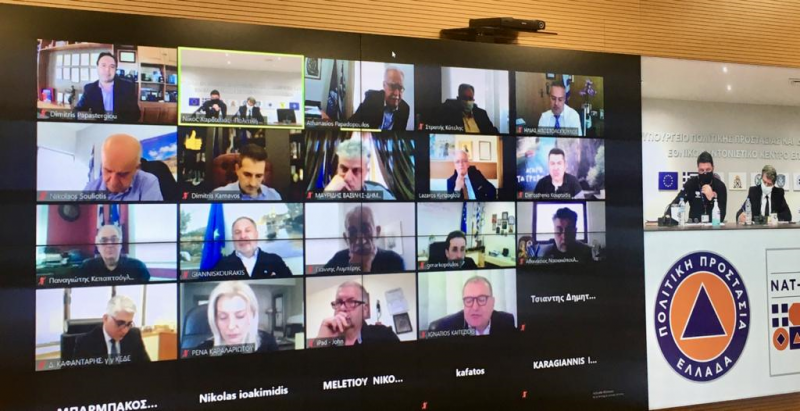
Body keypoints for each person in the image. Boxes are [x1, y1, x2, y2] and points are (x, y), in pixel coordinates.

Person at [193, 281, 278, 353]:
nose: (231, 326)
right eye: (223, 317)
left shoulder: (268, 343)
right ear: (215, 319)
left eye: (240, 316)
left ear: (252, 315)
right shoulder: (201, 350)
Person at [324, 205, 405, 273]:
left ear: (377, 232)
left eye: (365, 229)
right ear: (346, 238)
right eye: (352, 232)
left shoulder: (394, 260)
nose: (360, 240)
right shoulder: (339, 258)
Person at [316, 280, 399, 345]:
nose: (342, 308)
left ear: (365, 310)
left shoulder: (384, 335)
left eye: (351, 302)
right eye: (339, 302)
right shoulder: (329, 340)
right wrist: (320, 342)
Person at [83, 134, 163, 201]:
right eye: (108, 170)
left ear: (137, 168)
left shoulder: (148, 182)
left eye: (122, 174)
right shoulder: (90, 188)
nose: (113, 183)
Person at [428, 276, 516, 336]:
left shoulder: (506, 321)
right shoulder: (443, 329)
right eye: (468, 300)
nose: (475, 307)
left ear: (492, 302)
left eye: (481, 299)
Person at [73, 295, 150, 363]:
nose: (125, 330)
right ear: (105, 318)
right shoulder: (85, 343)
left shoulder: (134, 336)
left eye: (129, 324)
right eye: (120, 323)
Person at [212, 217, 292, 278]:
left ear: (256, 235)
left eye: (247, 231)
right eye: (237, 232)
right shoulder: (221, 265)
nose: (243, 236)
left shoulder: (275, 260)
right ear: (233, 239)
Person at [74, 52, 140, 122]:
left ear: (115, 69)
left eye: (112, 66)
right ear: (97, 68)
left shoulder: (127, 87)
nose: (107, 70)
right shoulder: (89, 89)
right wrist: (92, 118)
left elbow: (136, 115)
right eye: (103, 65)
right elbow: (76, 112)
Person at [323, 138, 395, 199]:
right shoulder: (328, 191)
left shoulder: (381, 194)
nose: (348, 178)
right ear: (337, 168)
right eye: (344, 169)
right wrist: (327, 195)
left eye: (356, 170)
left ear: (366, 172)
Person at [667, 151, 728, 222]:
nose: (705, 173)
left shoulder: (720, 186)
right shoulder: (691, 184)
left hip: (713, 226)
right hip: (694, 226)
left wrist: (712, 198)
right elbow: (676, 203)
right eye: (701, 170)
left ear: (713, 168)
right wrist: (667, 216)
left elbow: (722, 216)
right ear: (698, 169)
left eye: (708, 170)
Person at [76, 225, 150, 281]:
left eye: (114, 239)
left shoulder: (138, 267)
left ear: (120, 244)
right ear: (98, 246)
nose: (109, 245)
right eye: (104, 240)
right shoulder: (86, 268)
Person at [213, 144, 281, 200]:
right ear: (237, 169)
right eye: (247, 174)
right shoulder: (218, 196)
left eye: (258, 176)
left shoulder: (274, 196)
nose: (252, 184)